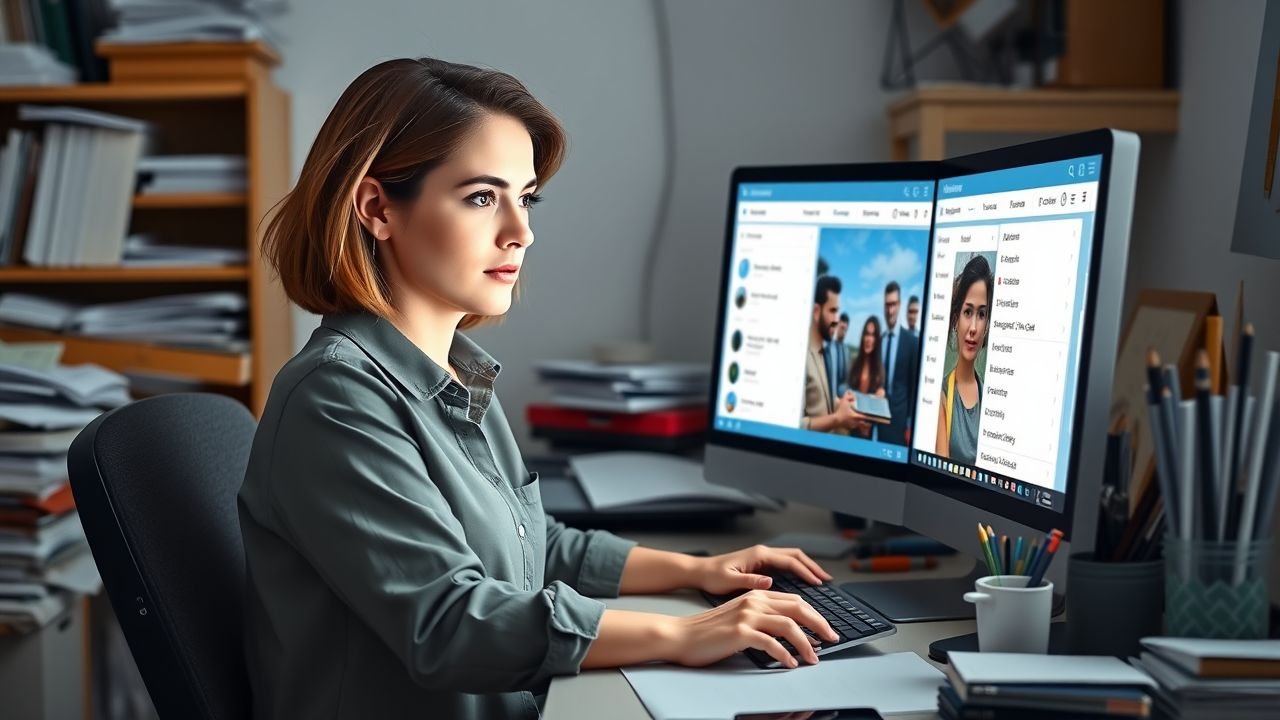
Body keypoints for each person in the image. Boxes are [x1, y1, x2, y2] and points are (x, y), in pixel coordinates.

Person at [238, 58, 839, 720]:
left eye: (525, 198)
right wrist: (682, 634)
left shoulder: (454, 373)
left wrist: (697, 571)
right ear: (378, 208)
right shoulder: (335, 399)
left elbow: (533, 546)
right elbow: (449, 622)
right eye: (480, 197)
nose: (521, 231)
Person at [935, 255, 994, 465]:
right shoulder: (940, 396)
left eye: (982, 314)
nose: (973, 329)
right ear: (955, 320)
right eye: (968, 312)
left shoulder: (991, 399)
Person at [802, 275, 864, 434]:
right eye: (832, 311)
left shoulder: (823, 354)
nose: (836, 320)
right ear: (816, 311)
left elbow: (824, 401)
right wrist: (838, 419)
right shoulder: (801, 356)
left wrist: (842, 403)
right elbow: (795, 425)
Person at [880, 280, 918, 446]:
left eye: (894, 304)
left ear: (900, 304)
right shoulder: (879, 341)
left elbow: (913, 386)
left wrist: (909, 424)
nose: (890, 310)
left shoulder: (911, 342)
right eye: (887, 305)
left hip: (900, 424)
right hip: (877, 420)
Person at [845, 315, 886, 438]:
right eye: (867, 334)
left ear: (877, 340)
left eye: (873, 335)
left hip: (868, 433)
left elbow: (879, 411)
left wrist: (880, 397)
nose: (869, 339)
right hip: (851, 429)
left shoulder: (880, 371)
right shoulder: (854, 364)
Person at [828, 313, 850, 396]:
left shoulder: (846, 350)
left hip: (841, 396)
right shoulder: (829, 347)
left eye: (845, 329)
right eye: (841, 327)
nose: (843, 331)